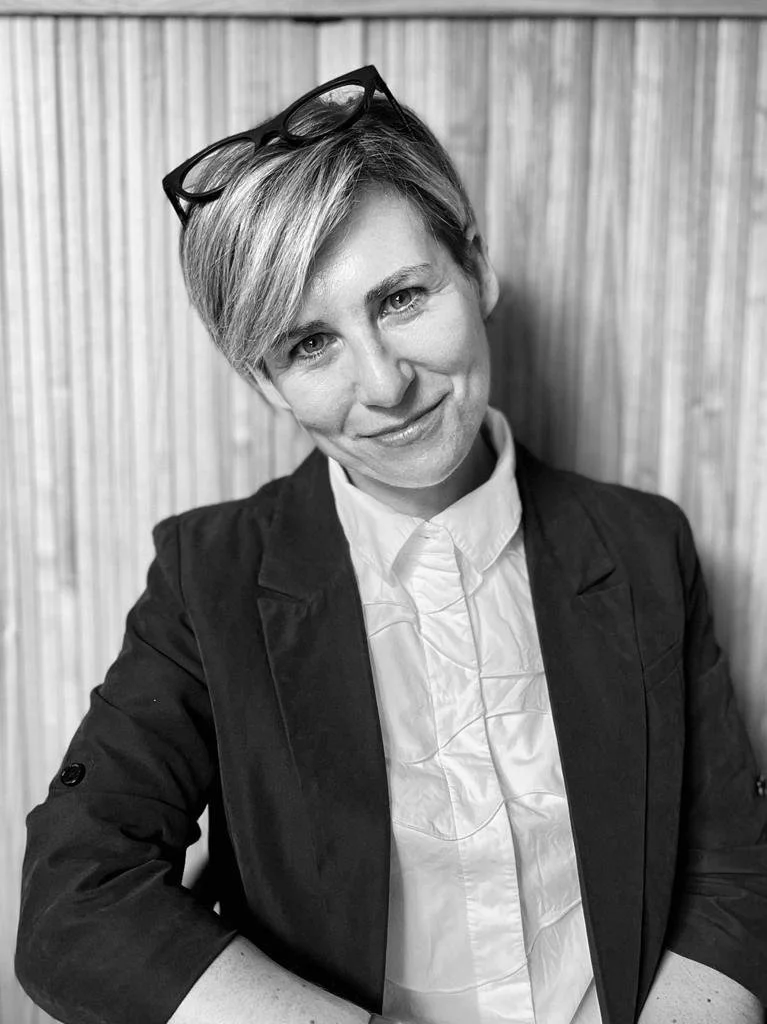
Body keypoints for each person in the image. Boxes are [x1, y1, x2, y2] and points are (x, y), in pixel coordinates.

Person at [15, 65, 767, 1024]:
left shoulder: (643, 544)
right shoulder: (209, 577)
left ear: (477, 268)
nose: (383, 383)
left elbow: (733, 867)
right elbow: (75, 900)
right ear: (267, 386)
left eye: (402, 298)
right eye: (308, 344)